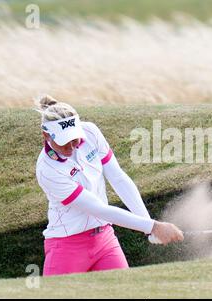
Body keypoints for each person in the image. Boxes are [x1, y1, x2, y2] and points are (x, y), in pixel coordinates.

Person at [34, 95, 183, 276]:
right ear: (46, 135)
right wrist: (153, 226)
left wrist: (148, 226)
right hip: (67, 246)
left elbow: (118, 178)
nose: (73, 146)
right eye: (65, 141)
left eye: (75, 138)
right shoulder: (47, 169)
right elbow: (99, 209)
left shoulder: (90, 133)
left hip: (104, 240)